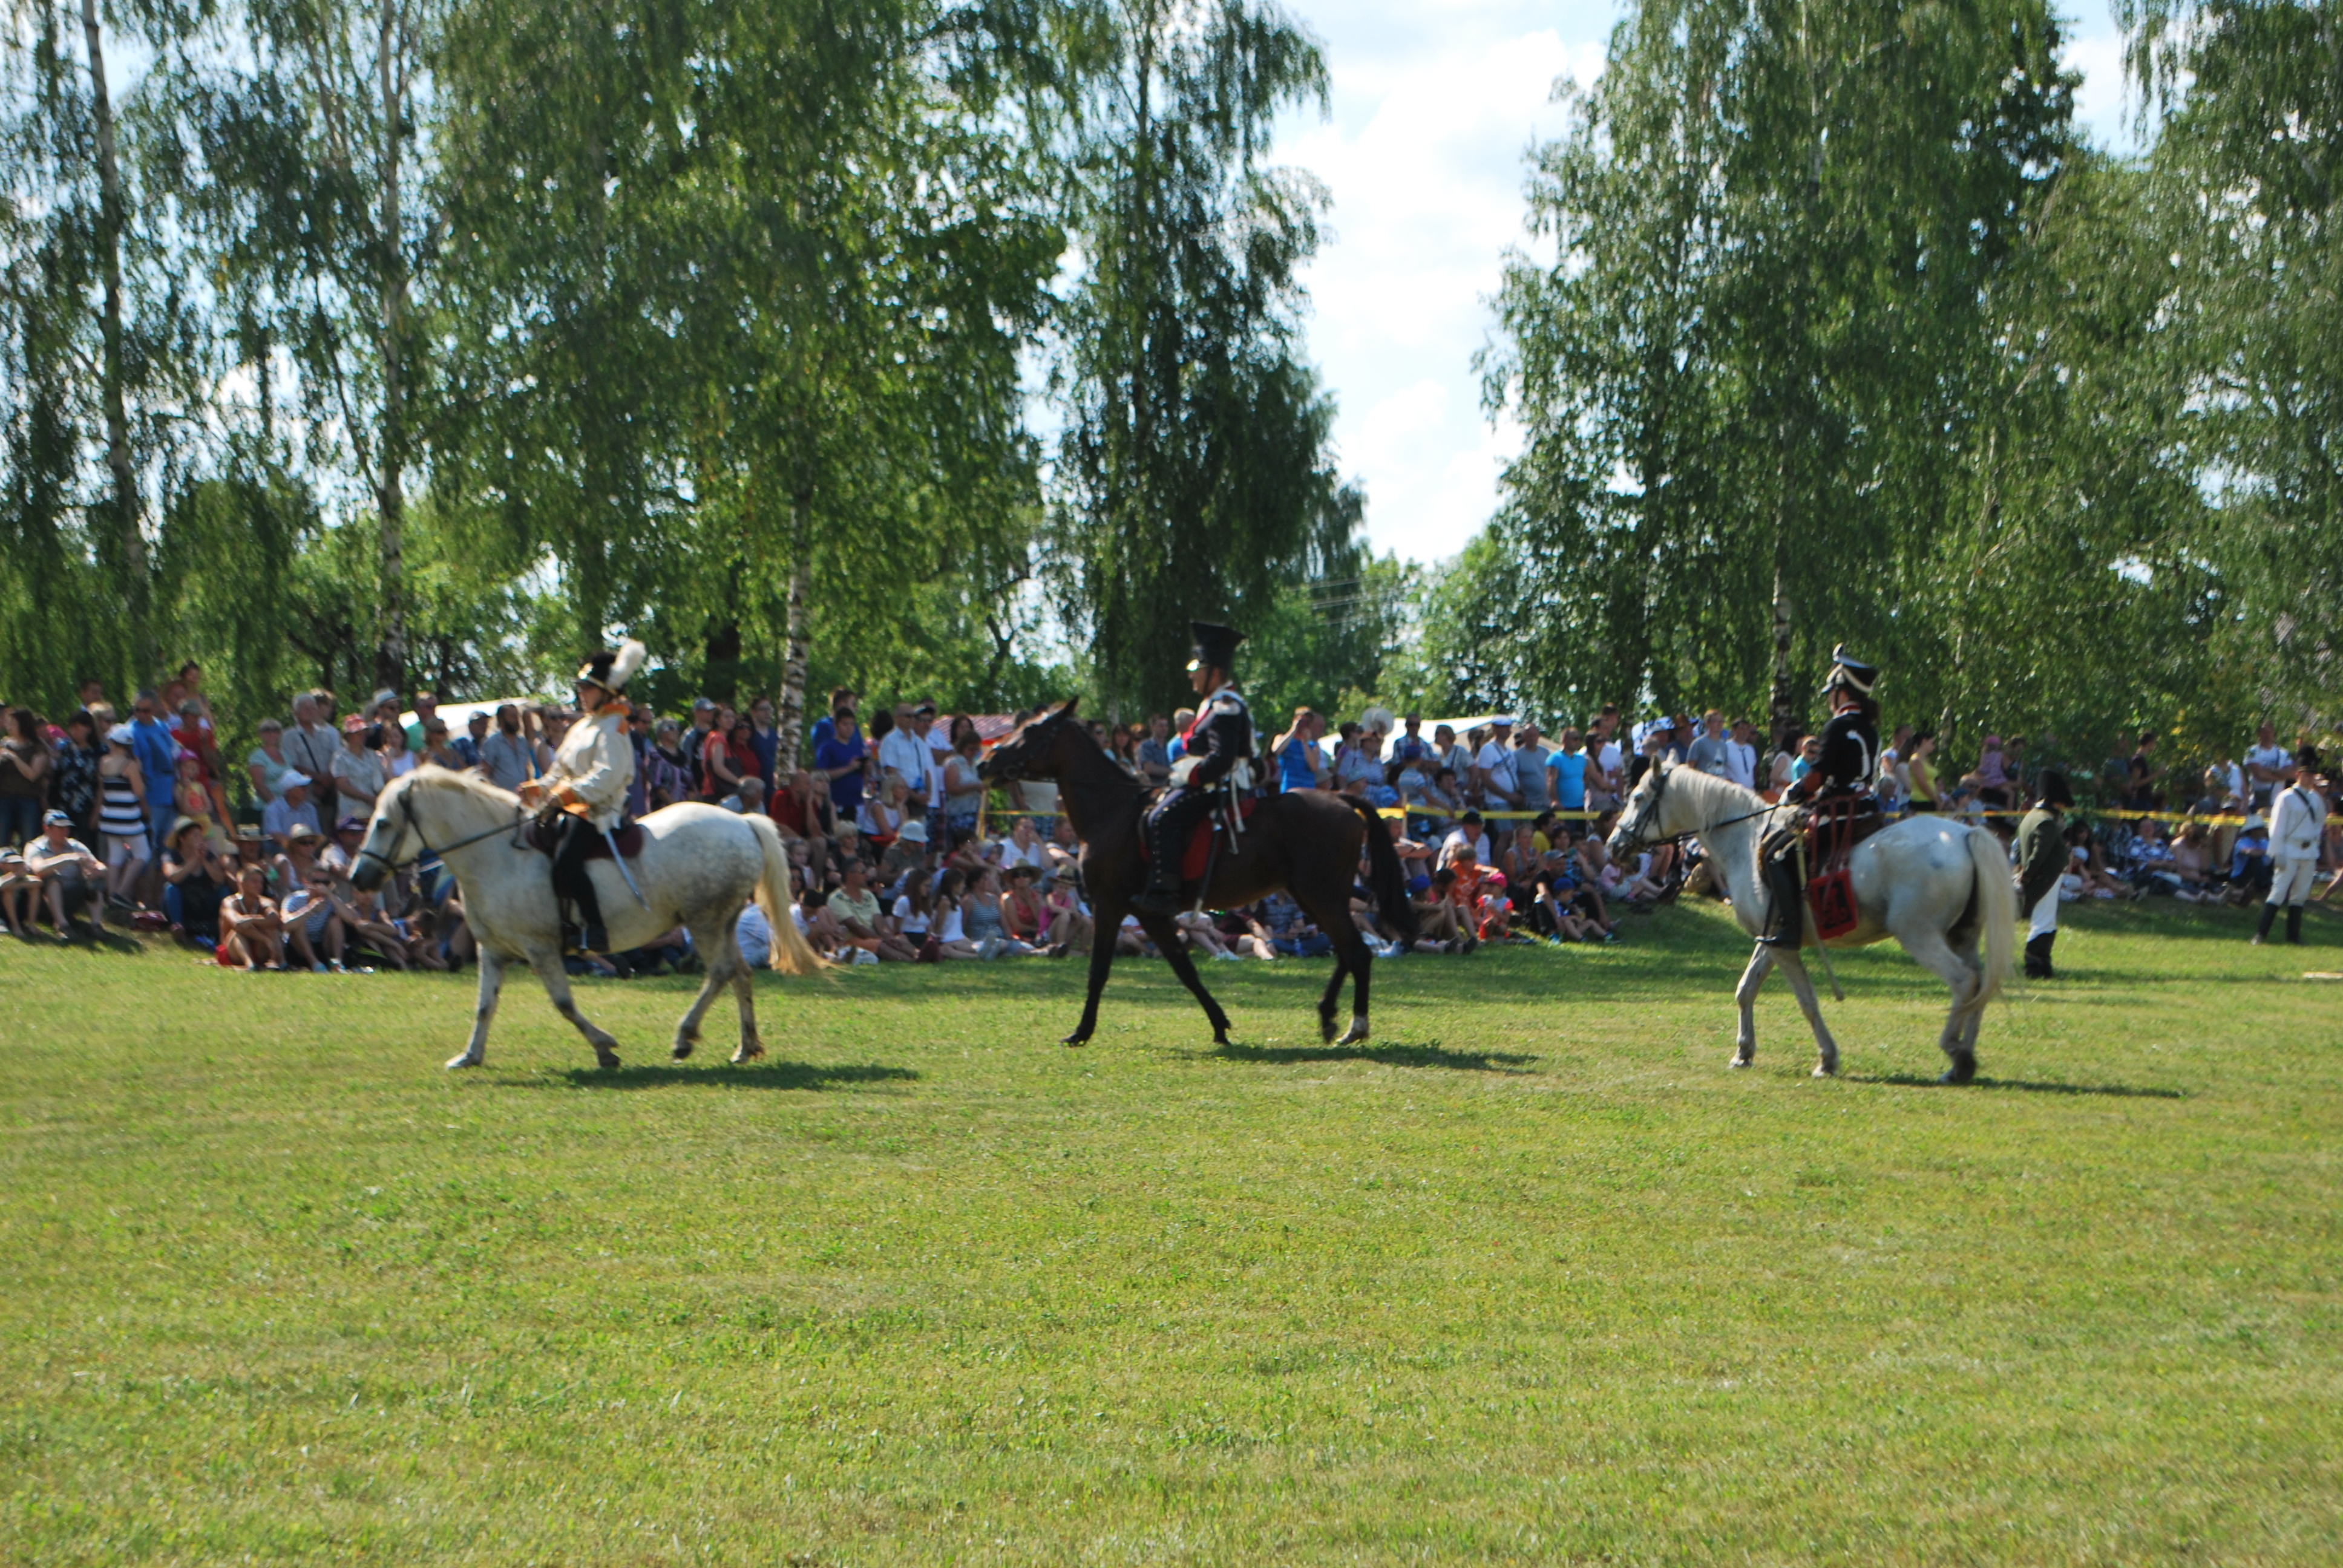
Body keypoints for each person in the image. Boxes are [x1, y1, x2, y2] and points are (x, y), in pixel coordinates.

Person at [520, 639, 644, 955]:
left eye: (588, 688)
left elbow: (608, 774)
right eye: (581, 687)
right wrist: (539, 787)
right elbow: (560, 769)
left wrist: (568, 794)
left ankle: (596, 929)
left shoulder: (615, 725)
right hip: (569, 805)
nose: (581, 693)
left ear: (607, 691)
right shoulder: (584, 726)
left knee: (566, 861)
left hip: (599, 809)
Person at [1133, 622, 1255, 917]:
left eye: (1195, 668)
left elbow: (1222, 759)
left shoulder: (1225, 706)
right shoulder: (1212, 705)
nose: (1190, 675)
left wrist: (1192, 775)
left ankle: (1166, 893)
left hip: (1220, 786)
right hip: (1211, 783)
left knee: (1162, 817)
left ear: (1215, 671)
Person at [1761, 646, 1881, 948]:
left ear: (1843, 693)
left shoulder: (1838, 726)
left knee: (1775, 856)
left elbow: (1816, 778)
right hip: (1868, 809)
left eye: (1832, 694)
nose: (1829, 700)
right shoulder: (1870, 729)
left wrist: (1795, 792)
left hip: (1839, 813)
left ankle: (1791, 928)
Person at [2255, 747, 2328, 947]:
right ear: (2298, 775)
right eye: (2307, 774)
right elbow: (2277, 827)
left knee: (2300, 894)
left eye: (2312, 774)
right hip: (2289, 849)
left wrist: (2314, 842)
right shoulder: (2286, 797)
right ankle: (2261, 933)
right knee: (2278, 892)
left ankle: (2293, 935)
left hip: (2308, 851)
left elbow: (2319, 823)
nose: (2310, 778)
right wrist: (2277, 852)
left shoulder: (2316, 799)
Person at [2016, 771, 2073, 978]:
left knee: (2046, 919)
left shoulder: (2031, 817)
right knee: (2044, 920)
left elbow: (2019, 851)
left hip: (2042, 876)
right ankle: (2035, 966)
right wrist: (2027, 875)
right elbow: (2039, 854)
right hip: (2045, 877)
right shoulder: (2046, 822)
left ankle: (2042, 964)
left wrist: (2022, 872)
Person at [24, 809, 105, 938]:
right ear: (47, 829)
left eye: (67, 828)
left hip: (72, 897)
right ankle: (62, 926)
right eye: (60, 828)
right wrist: (67, 859)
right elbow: (38, 869)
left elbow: (100, 866)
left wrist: (97, 871)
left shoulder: (75, 846)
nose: (65, 832)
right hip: (43, 902)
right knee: (52, 879)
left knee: (95, 882)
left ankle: (96, 926)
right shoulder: (35, 847)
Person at [97, 723, 150, 907]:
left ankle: (111, 896)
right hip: (128, 818)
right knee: (143, 853)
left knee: (115, 858)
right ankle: (120, 892)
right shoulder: (130, 764)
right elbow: (139, 791)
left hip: (108, 817)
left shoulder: (104, 762)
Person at [218, 864, 287, 970]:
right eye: (254, 881)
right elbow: (238, 924)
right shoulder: (231, 903)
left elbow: (274, 919)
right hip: (234, 952)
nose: (259, 885)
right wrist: (265, 939)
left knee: (272, 929)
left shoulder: (266, 903)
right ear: (242, 883)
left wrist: (252, 920)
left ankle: (282, 963)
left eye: (261, 882)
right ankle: (250, 965)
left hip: (258, 949)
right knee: (238, 933)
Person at [0, 708, 50, 846]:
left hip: (28, 800)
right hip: (4, 799)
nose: (8, 727)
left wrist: (14, 757)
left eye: (13, 723)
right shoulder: (4, 744)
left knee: (29, 841)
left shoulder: (37, 747)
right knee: (2, 841)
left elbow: (32, 775)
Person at [329, 714, 387, 822]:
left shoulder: (372, 755)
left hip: (372, 810)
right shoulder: (340, 758)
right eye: (357, 733)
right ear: (348, 736)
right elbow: (342, 785)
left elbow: (383, 777)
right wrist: (367, 798)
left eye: (363, 732)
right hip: (351, 811)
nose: (362, 735)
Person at [479, 704, 536, 792]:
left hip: (522, 795)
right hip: (502, 796)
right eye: (512, 716)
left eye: (517, 716)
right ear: (501, 719)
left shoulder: (522, 742)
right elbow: (485, 772)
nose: (516, 720)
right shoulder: (492, 743)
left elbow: (526, 768)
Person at [261, 772, 321, 849]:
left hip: (307, 850)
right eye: (302, 788)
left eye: (306, 788)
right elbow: (276, 835)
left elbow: (317, 834)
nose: (306, 791)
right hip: (279, 852)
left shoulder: (310, 809)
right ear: (290, 790)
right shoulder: (273, 809)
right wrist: (297, 849)